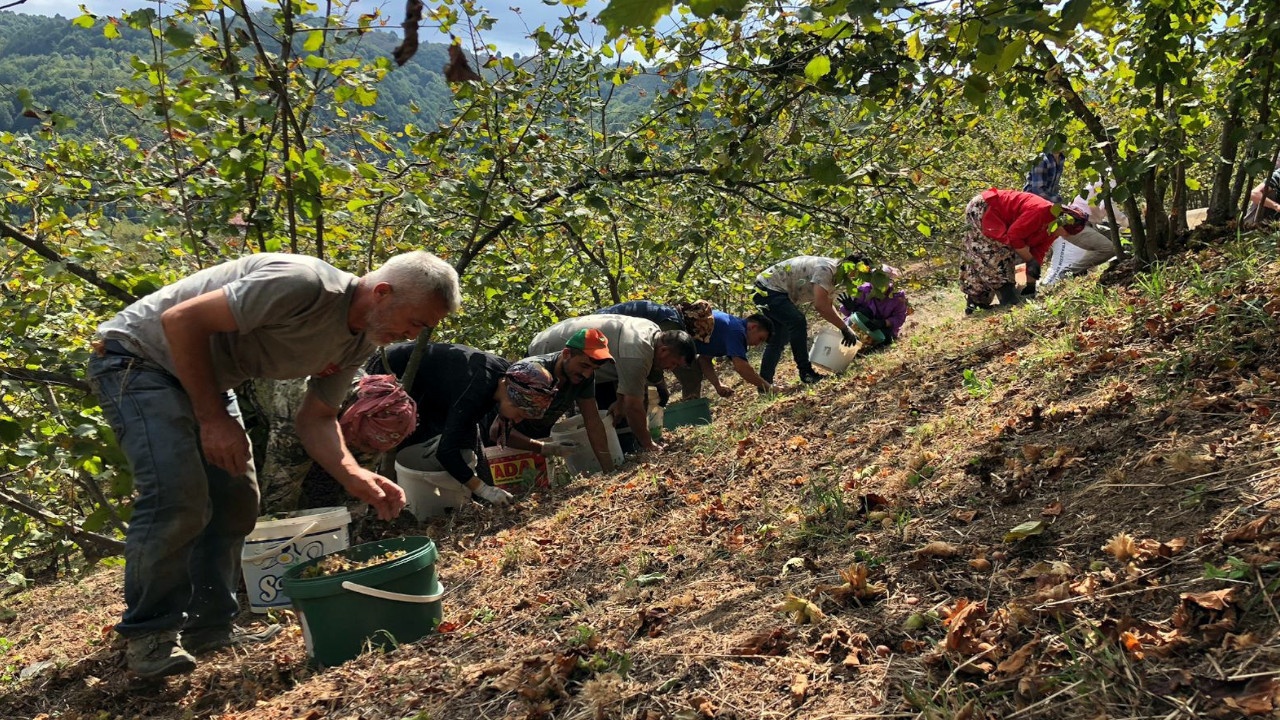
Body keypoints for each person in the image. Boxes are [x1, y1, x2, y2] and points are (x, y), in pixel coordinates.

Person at [87, 251, 460, 679]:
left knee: (237, 500)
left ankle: (208, 627)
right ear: (382, 293)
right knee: (178, 495)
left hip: (208, 377)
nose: (411, 335)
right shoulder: (304, 285)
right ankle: (149, 633)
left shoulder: (359, 340)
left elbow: (316, 417)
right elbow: (181, 321)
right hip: (138, 360)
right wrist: (212, 418)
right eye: (414, 322)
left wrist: (354, 475)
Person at [367, 343, 557, 506]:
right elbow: (446, 452)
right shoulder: (476, 390)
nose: (518, 420)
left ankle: (475, 498)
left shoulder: (509, 376)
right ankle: (391, 501)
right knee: (396, 438)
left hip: (436, 384)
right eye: (520, 414)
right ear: (510, 397)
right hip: (395, 370)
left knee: (466, 436)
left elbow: (482, 429)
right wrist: (484, 490)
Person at [529, 315, 695, 453]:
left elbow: (632, 379)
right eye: (673, 363)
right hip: (547, 348)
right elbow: (634, 407)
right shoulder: (636, 352)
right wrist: (649, 445)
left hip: (576, 352)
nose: (671, 369)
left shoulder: (654, 332)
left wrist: (621, 400)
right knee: (542, 411)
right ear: (664, 350)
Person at [486, 329, 617, 473]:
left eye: (594, 369)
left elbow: (593, 421)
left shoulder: (583, 377)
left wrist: (609, 471)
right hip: (496, 447)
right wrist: (545, 447)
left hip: (535, 444)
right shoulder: (531, 373)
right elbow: (497, 432)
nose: (587, 374)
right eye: (584, 366)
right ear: (567, 354)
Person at [959, 189, 1087, 313]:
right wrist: (1030, 260)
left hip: (1003, 220)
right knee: (994, 253)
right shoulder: (1041, 211)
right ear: (1062, 223)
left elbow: (1037, 251)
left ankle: (1005, 296)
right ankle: (1000, 297)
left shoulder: (1053, 230)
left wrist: (1031, 281)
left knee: (1018, 256)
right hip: (985, 208)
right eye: (1067, 232)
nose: (1066, 236)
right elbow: (1014, 237)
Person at [753, 254, 863, 385]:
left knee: (779, 338)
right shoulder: (826, 270)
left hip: (769, 290)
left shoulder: (835, 276)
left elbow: (827, 305)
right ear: (848, 266)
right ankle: (806, 373)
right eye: (855, 272)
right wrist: (844, 328)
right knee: (797, 322)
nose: (855, 277)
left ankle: (764, 384)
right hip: (767, 289)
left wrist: (846, 329)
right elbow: (820, 306)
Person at [593, 299, 714, 403]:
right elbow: (655, 359)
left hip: (605, 329)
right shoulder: (672, 324)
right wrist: (660, 386)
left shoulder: (670, 315)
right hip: (600, 331)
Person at [673, 312, 774, 399]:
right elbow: (742, 368)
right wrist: (769, 388)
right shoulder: (737, 331)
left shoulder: (731, 328)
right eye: (760, 338)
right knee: (689, 375)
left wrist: (718, 385)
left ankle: (688, 419)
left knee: (693, 374)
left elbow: (704, 360)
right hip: (671, 327)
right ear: (753, 327)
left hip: (675, 332)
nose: (757, 344)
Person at [836, 265, 909, 350]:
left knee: (886, 338)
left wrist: (883, 323)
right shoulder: (863, 290)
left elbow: (899, 317)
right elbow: (851, 315)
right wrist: (850, 307)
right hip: (860, 325)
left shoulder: (897, 296)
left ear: (889, 281)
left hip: (881, 329)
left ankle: (867, 346)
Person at [1246, 158, 1280, 224]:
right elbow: (1254, 194)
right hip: (1267, 216)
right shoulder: (1278, 175)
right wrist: (1276, 206)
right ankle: (1249, 227)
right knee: (1267, 193)